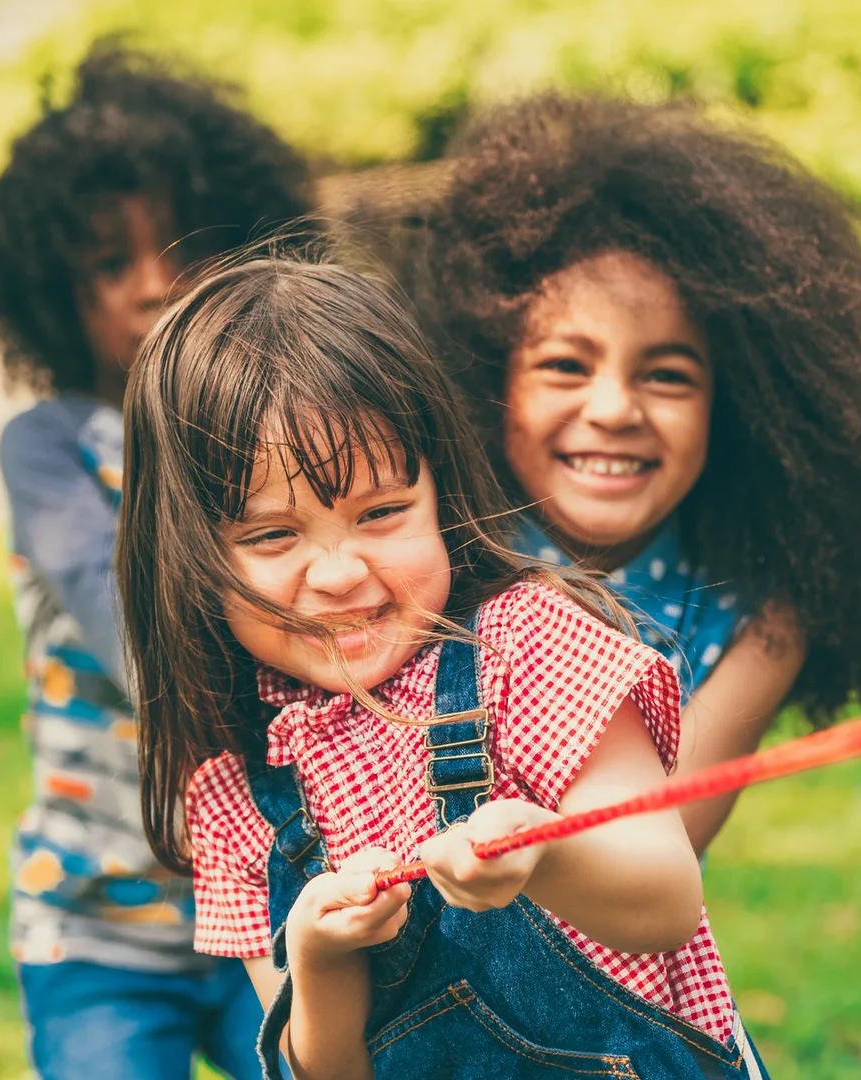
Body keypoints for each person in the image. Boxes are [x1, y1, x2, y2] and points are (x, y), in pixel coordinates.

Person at [115, 255, 772, 1079]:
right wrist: (318, 959)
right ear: (187, 559)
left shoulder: (525, 646)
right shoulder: (232, 780)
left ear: (441, 492)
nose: (339, 572)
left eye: (383, 513)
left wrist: (545, 854)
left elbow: (666, 898)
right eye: (272, 536)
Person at [403, 94, 861, 850]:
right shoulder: (433, 548)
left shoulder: (762, 619)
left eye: (666, 376)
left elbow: (661, 854)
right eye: (566, 365)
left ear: (739, 410)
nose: (615, 409)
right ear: (488, 383)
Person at [0, 46, 312, 1080]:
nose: (155, 285)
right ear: (51, 297)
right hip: (100, 921)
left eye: (182, 248)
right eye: (110, 265)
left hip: (292, 904)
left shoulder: (285, 437)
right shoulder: (52, 448)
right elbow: (127, 625)